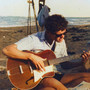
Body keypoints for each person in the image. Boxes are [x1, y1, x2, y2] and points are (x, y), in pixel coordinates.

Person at [3, 14, 90, 90]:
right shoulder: (34, 39)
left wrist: (80, 63)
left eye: (64, 33)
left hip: (52, 75)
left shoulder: (61, 41)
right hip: (35, 79)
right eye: (59, 35)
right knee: (51, 83)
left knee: (87, 77)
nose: (62, 37)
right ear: (48, 32)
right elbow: (7, 50)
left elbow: (65, 65)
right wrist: (31, 57)